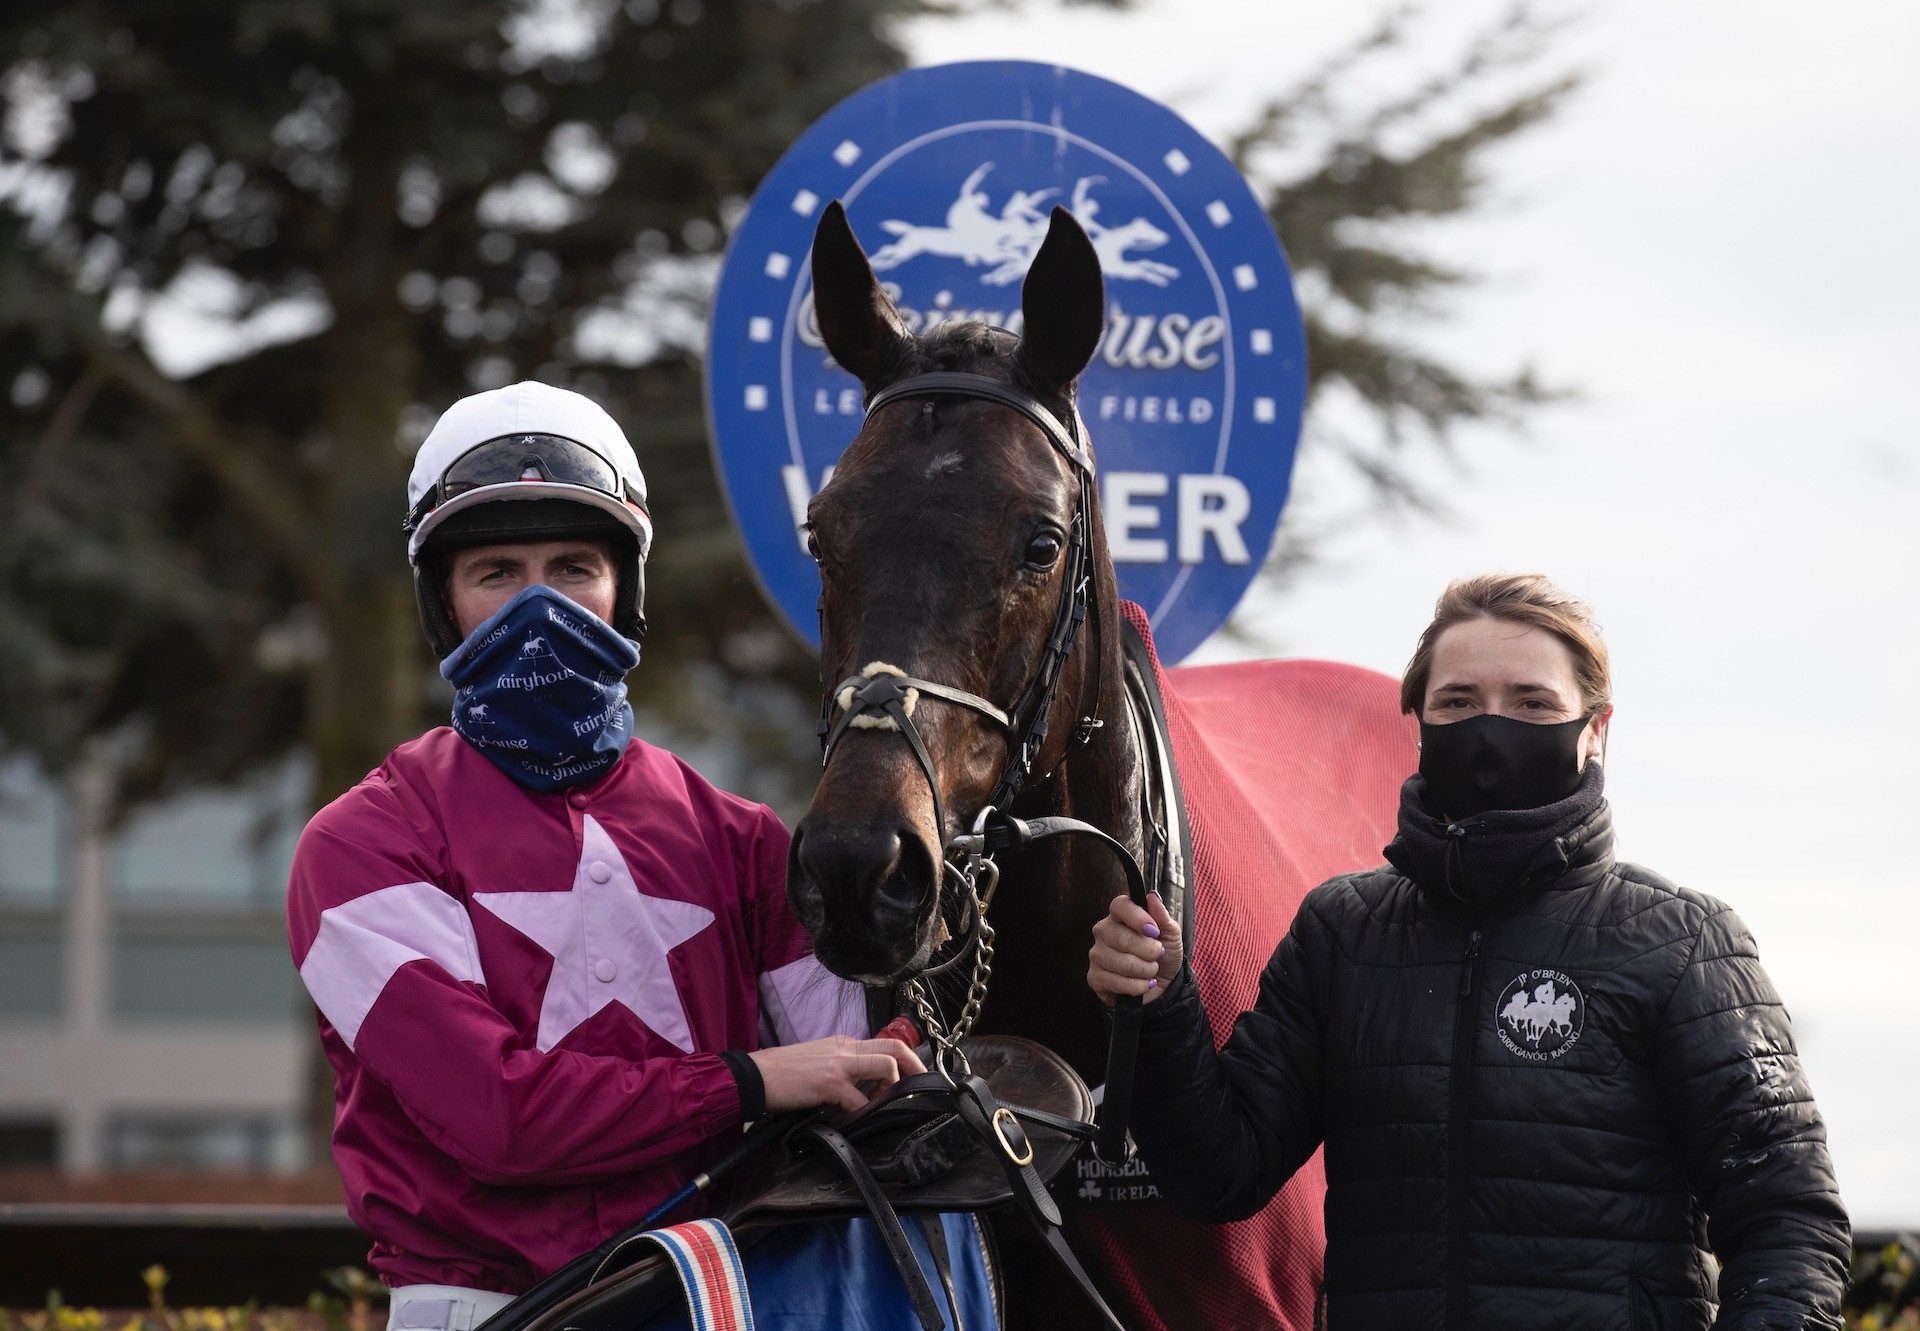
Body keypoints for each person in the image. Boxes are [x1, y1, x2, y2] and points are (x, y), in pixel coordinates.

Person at [285, 382, 939, 1330]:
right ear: (443, 602)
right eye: (498, 573)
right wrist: (752, 1079)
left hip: (721, 1297)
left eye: (574, 566)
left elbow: (860, 1084)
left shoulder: (747, 840)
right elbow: (495, 1117)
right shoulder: (359, 846)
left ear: (624, 591)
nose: (541, 606)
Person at [1087, 573, 1851, 1329]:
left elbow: (1789, 1220)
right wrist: (1161, 1005)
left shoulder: (1685, 944)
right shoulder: (1342, 932)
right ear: (1416, 718)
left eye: (1532, 702)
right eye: (1458, 701)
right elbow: (1221, 1173)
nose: (1492, 728)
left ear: (1596, 729)